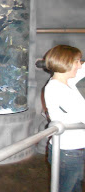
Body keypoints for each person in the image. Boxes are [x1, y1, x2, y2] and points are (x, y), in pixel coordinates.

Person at [44, 45, 85, 192]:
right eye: (77, 61)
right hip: (68, 153)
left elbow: (83, 70)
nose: (80, 65)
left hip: (73, 150)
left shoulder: (66, 83)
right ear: (66, 63)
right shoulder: (57, 89)